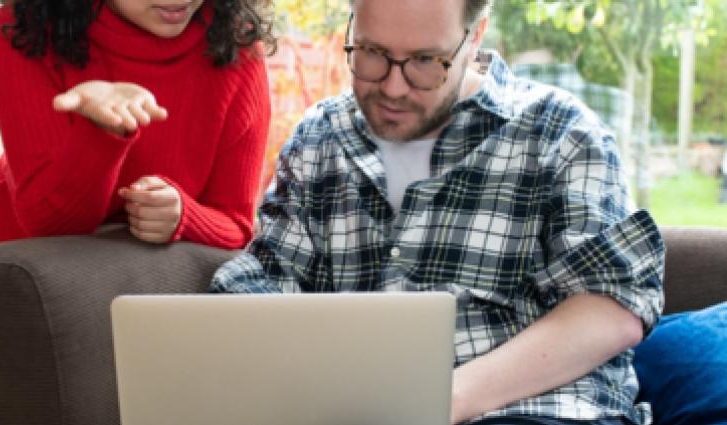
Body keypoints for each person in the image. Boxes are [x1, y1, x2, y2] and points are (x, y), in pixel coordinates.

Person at [210, 0, 664, 424]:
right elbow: (264, 282)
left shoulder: (560, 130)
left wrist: (445, 397)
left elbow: (613, 306)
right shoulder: (319, 138)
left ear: (476, 36)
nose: (391, 86)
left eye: (426, 61)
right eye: (371, 52)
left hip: (534, 409)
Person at [0, 0, 274, 423]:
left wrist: (184, 216)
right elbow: (49, 221)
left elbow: (236, 225)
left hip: (125, 285)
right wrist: (102, 133)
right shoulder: (25, 26)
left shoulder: (236, 45)